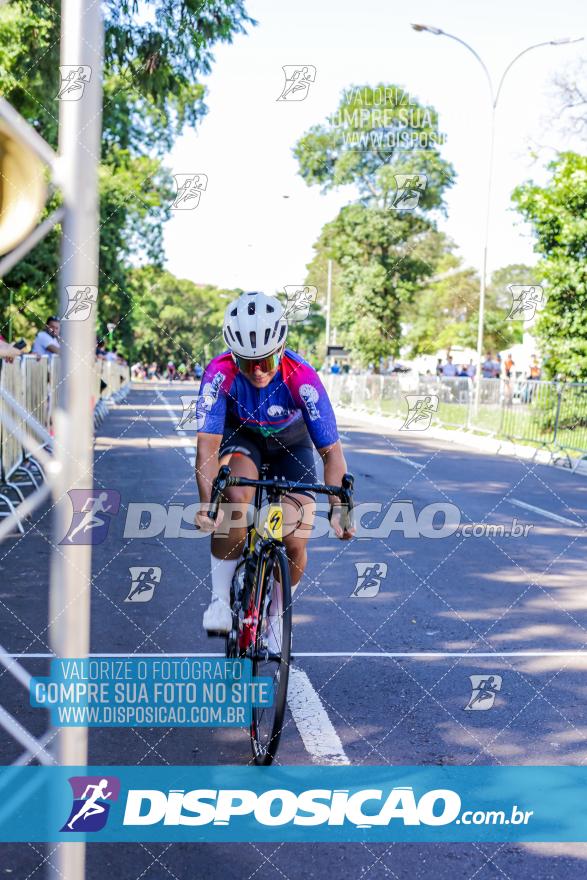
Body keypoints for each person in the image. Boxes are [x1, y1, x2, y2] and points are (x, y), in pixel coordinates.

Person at [195, 291, 355, 634]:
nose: (256, 372)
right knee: (235, 502)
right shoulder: (218, 373)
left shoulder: (302, 376)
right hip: (242, 438)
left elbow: (331, 452)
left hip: (291, 444)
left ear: (280, 351)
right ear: (233, 356)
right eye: (246, 363)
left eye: (265, 362)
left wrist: (339, 508)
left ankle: (274, 619)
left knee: (295, 536)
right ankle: (220, 601)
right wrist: (209, 505)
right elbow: (207, 447)